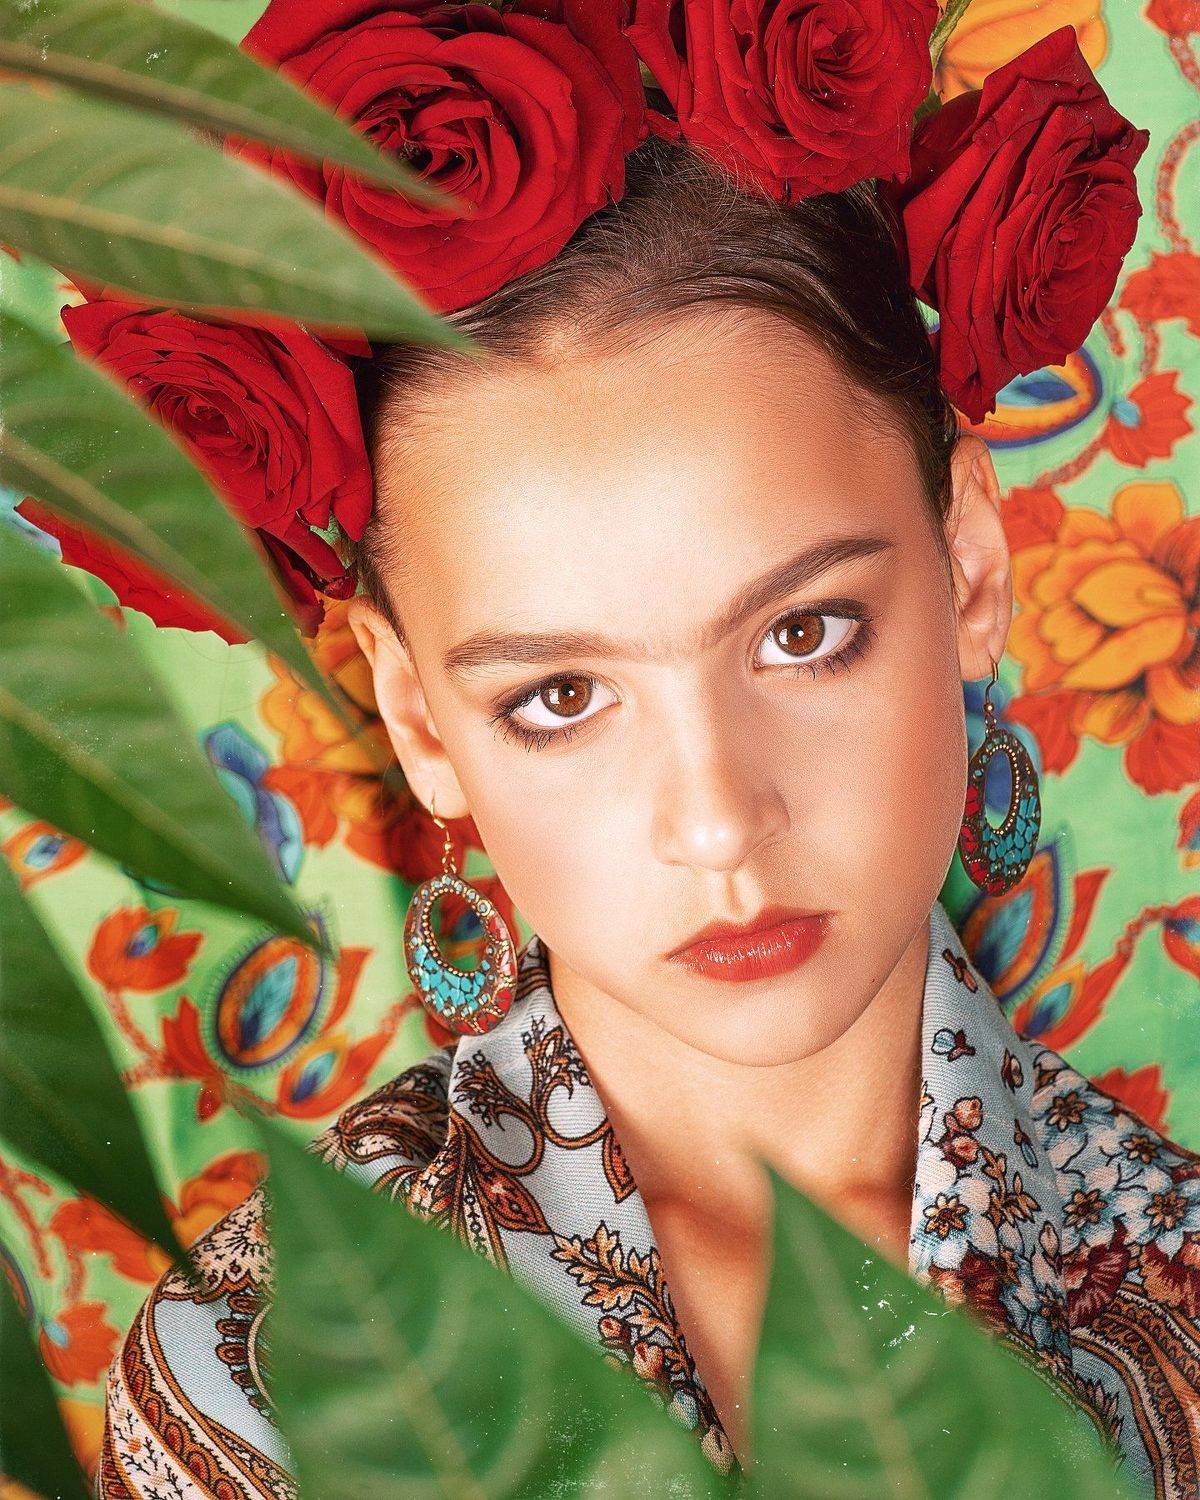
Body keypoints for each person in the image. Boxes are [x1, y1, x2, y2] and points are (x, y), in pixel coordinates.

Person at [81, 4, 1195, 1495]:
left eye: (802, 632)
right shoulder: (257, 1375)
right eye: (560, 696)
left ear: (970, 566)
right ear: (417, 718)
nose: (718, 821)